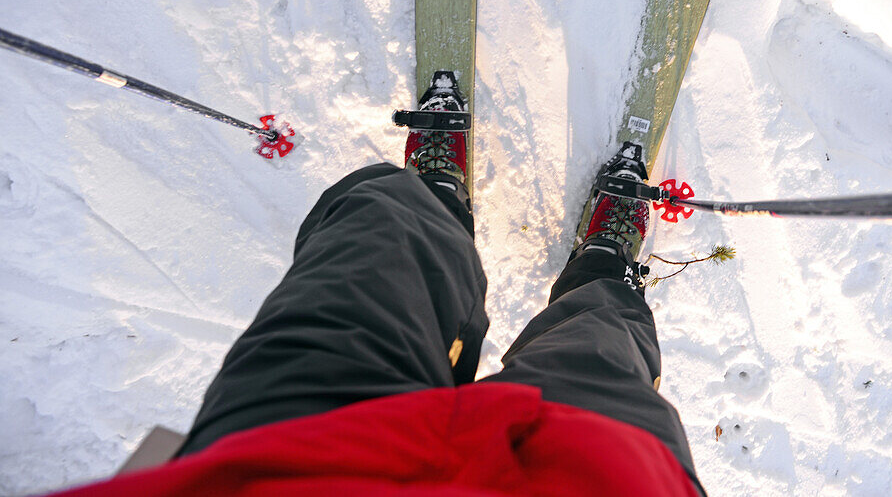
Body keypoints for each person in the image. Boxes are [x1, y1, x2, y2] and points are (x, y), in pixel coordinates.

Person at [55, 72, 704, 496]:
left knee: (379, 229)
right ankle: (604, 265)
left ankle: (435, 197)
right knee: (603, 345)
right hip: (593, 472)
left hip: (294, 455)